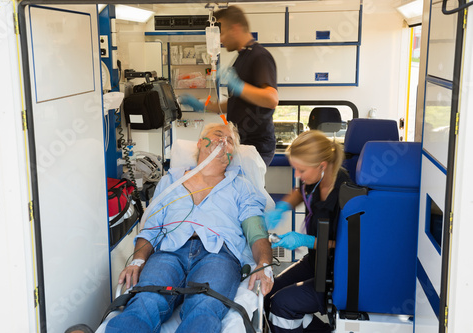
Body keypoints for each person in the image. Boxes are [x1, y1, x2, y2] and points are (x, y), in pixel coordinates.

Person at [106, 122, 274, 333]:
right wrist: (138, 260)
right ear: (199, 143)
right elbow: (151, 228)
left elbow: (256, 231)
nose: (223, 141)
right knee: (145, 301)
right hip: (168, 253)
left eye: (230, 140)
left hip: (219, 256)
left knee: (204, 307)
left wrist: (264, 263)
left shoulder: (241, 187)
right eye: (217, 135)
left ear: (232, 152)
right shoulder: (170, 182)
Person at [263, 130, 351, 333]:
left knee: (281, 304)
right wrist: (282, 207)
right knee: (267, 292)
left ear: (322, 166)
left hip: (337, 271)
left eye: (301, 170)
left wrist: (306, 240)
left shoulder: (345, 194)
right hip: (314, 261)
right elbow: (300, 192)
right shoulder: (316, 179)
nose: (297, 175)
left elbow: (347, 248)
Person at [179, 6, 279, 166]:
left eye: (222, 33)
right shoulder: (242, 57)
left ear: (235, 28)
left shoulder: (259, 56)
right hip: (240, 141)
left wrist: (238, 86)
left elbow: (271, 99)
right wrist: (204, 105)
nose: (220, 40)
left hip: (256, 145)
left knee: (246, 189)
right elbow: (237, 103)